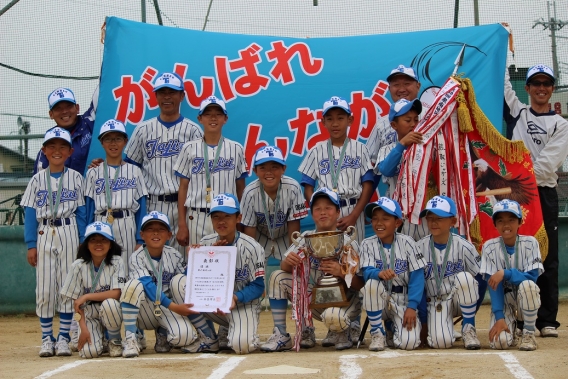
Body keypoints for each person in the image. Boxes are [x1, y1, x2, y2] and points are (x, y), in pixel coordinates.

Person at [503, 63, 568, 337]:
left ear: (552, 89)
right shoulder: (518, 113)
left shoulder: (561, 124)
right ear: (527, 88)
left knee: (547, 255)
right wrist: (502, 44)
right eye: (536, 84)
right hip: (516, 196)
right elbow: (503, 84)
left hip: (542, 193)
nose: (541, 88)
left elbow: (547, 164)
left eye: (546, 84)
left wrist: (523, 173)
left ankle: (547, 320)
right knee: (516, 253)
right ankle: (518, 316)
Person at [260, 188, 364, 352]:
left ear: (337, 212)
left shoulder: (347, 241)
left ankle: (344, 331)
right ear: (312, 213)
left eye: (328, 208)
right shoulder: (307, 237)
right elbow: (284, 267)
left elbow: (360, 284)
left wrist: (342, 272)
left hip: (346, 302)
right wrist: (289, 261)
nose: (323, 212)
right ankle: (282, 333)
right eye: (317, 209)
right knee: (277, 276)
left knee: (334, 317)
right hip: (316, 299)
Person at [170, 193, 265, 355]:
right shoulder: (205, 243)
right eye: (216, 217)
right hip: (214, 306)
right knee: (178, 282)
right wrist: (199, 259)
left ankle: (236, 330)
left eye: (227, 216)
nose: (221, 221)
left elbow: (258, 286)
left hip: (242, 305)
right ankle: (209, 338)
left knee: (242, 346)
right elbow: (190, 282)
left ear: (238, 218)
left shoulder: (253, 247)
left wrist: (235, 297)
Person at [20, 127, 87, 357]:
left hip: (68, 230)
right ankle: (47, 338)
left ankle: (63, 338)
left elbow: (82, 212)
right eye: (52, 146)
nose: (56, 151)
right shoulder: (37, 180)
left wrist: (82, 241)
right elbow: (29, 213)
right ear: (44, 150)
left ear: (70, 151)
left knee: (68, 287)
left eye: (62, 147)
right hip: (44, 232)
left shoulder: (76, 178)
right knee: (46, 289)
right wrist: (31, 244)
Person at [124, 73, 203, 255]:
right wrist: (102, 164)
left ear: (181, 96)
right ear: (156, 96)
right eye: (162, 92)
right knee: (154, 261)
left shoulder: (193, 131)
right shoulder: (143, 129)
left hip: (185, 207)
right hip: (153, 204)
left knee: (185, 260)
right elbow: (129, 168)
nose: (167, 97)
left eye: (172, 92)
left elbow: (201, 173)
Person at [119, 211, 199, 358]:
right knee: (132, 286)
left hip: (164, 308)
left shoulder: (174, 254)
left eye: (161, 229)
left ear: (169, 235)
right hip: (143, 309)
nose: (155, 233)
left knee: (185, 337)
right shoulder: (136, 257)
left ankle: (163, 334)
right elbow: (148, 287)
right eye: (150, 229)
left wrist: (193, 259)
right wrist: (175, 307)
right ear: (142, 235)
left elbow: (186, 280)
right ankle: (131, 337)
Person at [298, 96, 374, 246]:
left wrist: (355, 215)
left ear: (349, 120)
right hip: (326, 212)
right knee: (326, 255)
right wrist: (318, 211)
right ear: (323, 122)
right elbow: (308, 186)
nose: (335, 124)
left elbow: (368, 185)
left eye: (340, 118)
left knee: (353, 258)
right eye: (330, 119)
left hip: (353, 209)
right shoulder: (316, 150)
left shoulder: (361, 149)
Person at [174, 96, 247, 249]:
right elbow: (183, 188)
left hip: (225, 217)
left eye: (218, 114)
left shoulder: (236, 148)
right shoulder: (189, 148)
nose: (213, 118)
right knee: (196, 265)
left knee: (226, 263)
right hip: (196, 216)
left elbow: (240, 187)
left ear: (225, 119)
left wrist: (239, 220)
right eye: (207, 114)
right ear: (200, 118)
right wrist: (182, 224)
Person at [416, 196, 484, 349]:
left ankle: (468, 329)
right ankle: (444, 326)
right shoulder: (419, 248)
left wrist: (472, 309)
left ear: (453, 222)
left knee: (466, 278)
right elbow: (417, 285)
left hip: (457, 300)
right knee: (441, 343)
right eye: (430, 218)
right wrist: (424, 320)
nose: (433, 223)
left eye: (439, 218)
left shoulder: (464, 246)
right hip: (433, 302)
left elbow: (482, 279)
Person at [359, 197, 427, 351]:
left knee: (408, 344)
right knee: (371, 284)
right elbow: (366, 272)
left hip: (402, 299)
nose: (379, 223)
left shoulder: (408, 242)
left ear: (397, 223)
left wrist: (412, 306)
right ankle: (377, 332)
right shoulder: (367, 243)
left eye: (385, 218)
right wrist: (379, 273)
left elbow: (417, 278)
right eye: (375, 218)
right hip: (379, 299)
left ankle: (391, 328)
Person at [85, 119, 148, 276]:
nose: (113, 143)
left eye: (118, 138)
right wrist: (86, 235)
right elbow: (89, 207)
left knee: (126, 270)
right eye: (108, 138)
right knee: (102, 269)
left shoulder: (135, 171)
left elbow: (142, 206)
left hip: (127, 222)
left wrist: (140, 240)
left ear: (125, 141)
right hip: (101, 221)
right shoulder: (93, 172)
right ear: (101, 142)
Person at [480, 200, 544, 351]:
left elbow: (532, 278)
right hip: (504, 301)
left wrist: (505, 273)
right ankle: (512, 330)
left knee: (528, 286)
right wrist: (499, 318)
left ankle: (528, 333)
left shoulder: (531, 243)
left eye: (511, 220)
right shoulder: (489, 247)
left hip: (526, 299)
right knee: (499, 343)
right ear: (495, 224)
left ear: (520, 222)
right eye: (500, 220)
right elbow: (493, 286)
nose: (506, 225)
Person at [60, 221, 126, 358]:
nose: (98, 244)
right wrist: (83, 329)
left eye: (103, 239)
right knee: (90, 352)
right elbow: (77, 303)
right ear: (86, 244)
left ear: (111, 244)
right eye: (93, 240)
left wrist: (87, 296)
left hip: (108, 309)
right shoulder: (78, 265)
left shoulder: (117, 261)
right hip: (88, 313)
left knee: (111, 304)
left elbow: (116, 293)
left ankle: (114, 340)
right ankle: (86, 335)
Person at [241, 145, 307, 264]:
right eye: (263, 168)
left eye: (274, 167)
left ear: (283, 169)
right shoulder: (249, 192)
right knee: (253, 267)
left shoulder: (293, 187)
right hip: (260, 236)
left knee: (292, 266)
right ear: (255, 171)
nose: (269, 172)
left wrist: (293, 252)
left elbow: (294, 225)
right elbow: (250, 230)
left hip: (285, 236)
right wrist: (251, 255)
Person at [374, 98, 428, 241]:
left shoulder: (426, 148)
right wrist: (402, 144)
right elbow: (386, 170)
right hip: (397, 214)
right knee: (401, 256)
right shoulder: (387, 149)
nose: (413, 124)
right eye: (407, 120)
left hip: (423, 213)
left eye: (416, 120)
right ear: (394, 125)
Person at [34, 86, 98, 175]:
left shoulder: (90, 121)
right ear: (51, 114)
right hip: (66, 188)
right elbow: (39, 181)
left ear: (77, 108)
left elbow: (103, 90)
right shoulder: (49, 144)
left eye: (69, 106)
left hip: (97, 186)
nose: (64, 111)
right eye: (58, 108)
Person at [366, 65, 421, 167]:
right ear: (389, 89)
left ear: (418, 86)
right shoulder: (382, 124)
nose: (401, 89)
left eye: (407, 84)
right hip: (394, 182)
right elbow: (370, 161)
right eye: (396, 85)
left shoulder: (432, 117)